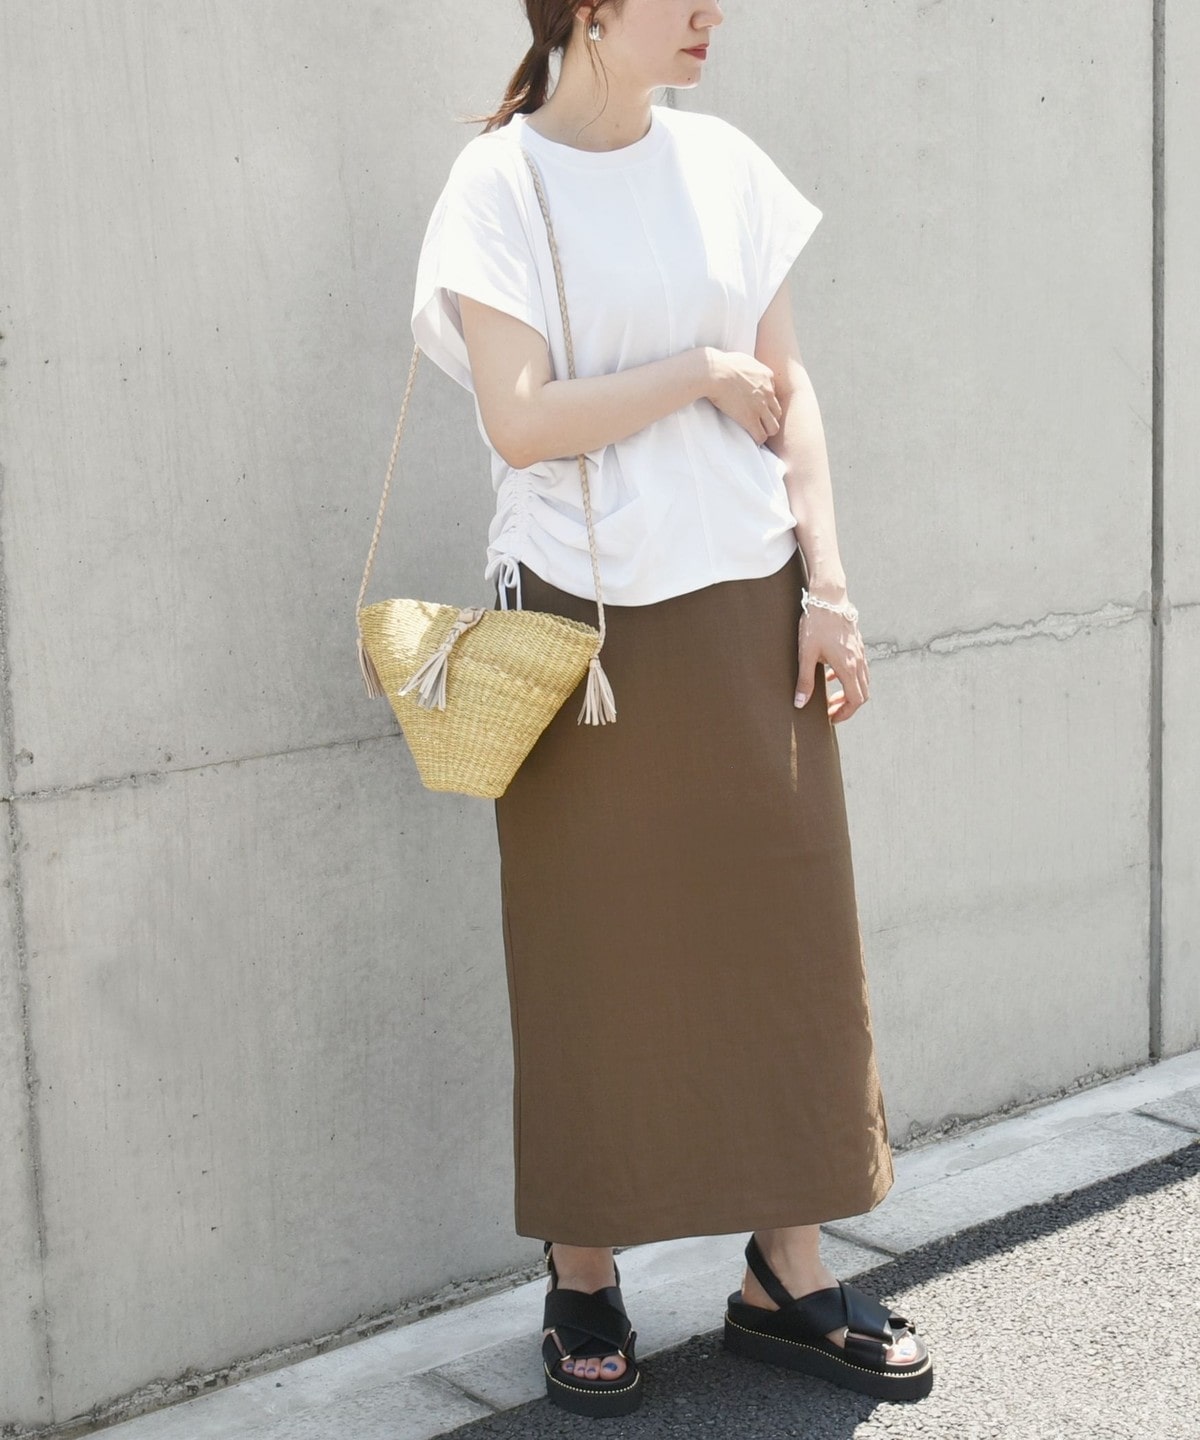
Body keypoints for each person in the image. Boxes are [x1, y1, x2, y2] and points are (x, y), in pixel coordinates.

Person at [410, 0, 933, 1419]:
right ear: (590, 10)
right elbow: (521, 418)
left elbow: (793, 392)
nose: (713, 12)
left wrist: (829, 587)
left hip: (752, 601)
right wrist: (699, 374)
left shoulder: (727, 167)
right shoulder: (499, 186)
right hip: (579, 628)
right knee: (593, 952)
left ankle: (787, 1275)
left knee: (788, 937)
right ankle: (583, 1277)